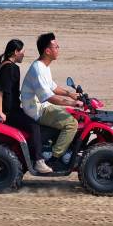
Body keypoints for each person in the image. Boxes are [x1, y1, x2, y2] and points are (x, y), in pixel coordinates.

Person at [21, 32, 82, 167]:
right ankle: (55, 157)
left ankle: (65, 149)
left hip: (43, 106)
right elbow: (49, 97)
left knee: (75, 115)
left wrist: (70, 94)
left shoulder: (44, 66)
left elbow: (52, 87)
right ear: (47, 51)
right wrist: (73, 103)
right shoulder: (38, 69)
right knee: (71, 124)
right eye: (56, 47)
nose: (58, 49)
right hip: (37, 110)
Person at [0, 39, 52, 174]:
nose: (24, 55)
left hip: (13, 108)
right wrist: (0, 111)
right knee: (34, 126)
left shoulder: (7, 66)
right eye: (22, 52)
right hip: (9, 111)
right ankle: (38, 161)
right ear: (15, 52)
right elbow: (0, 90)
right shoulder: (9, 68)